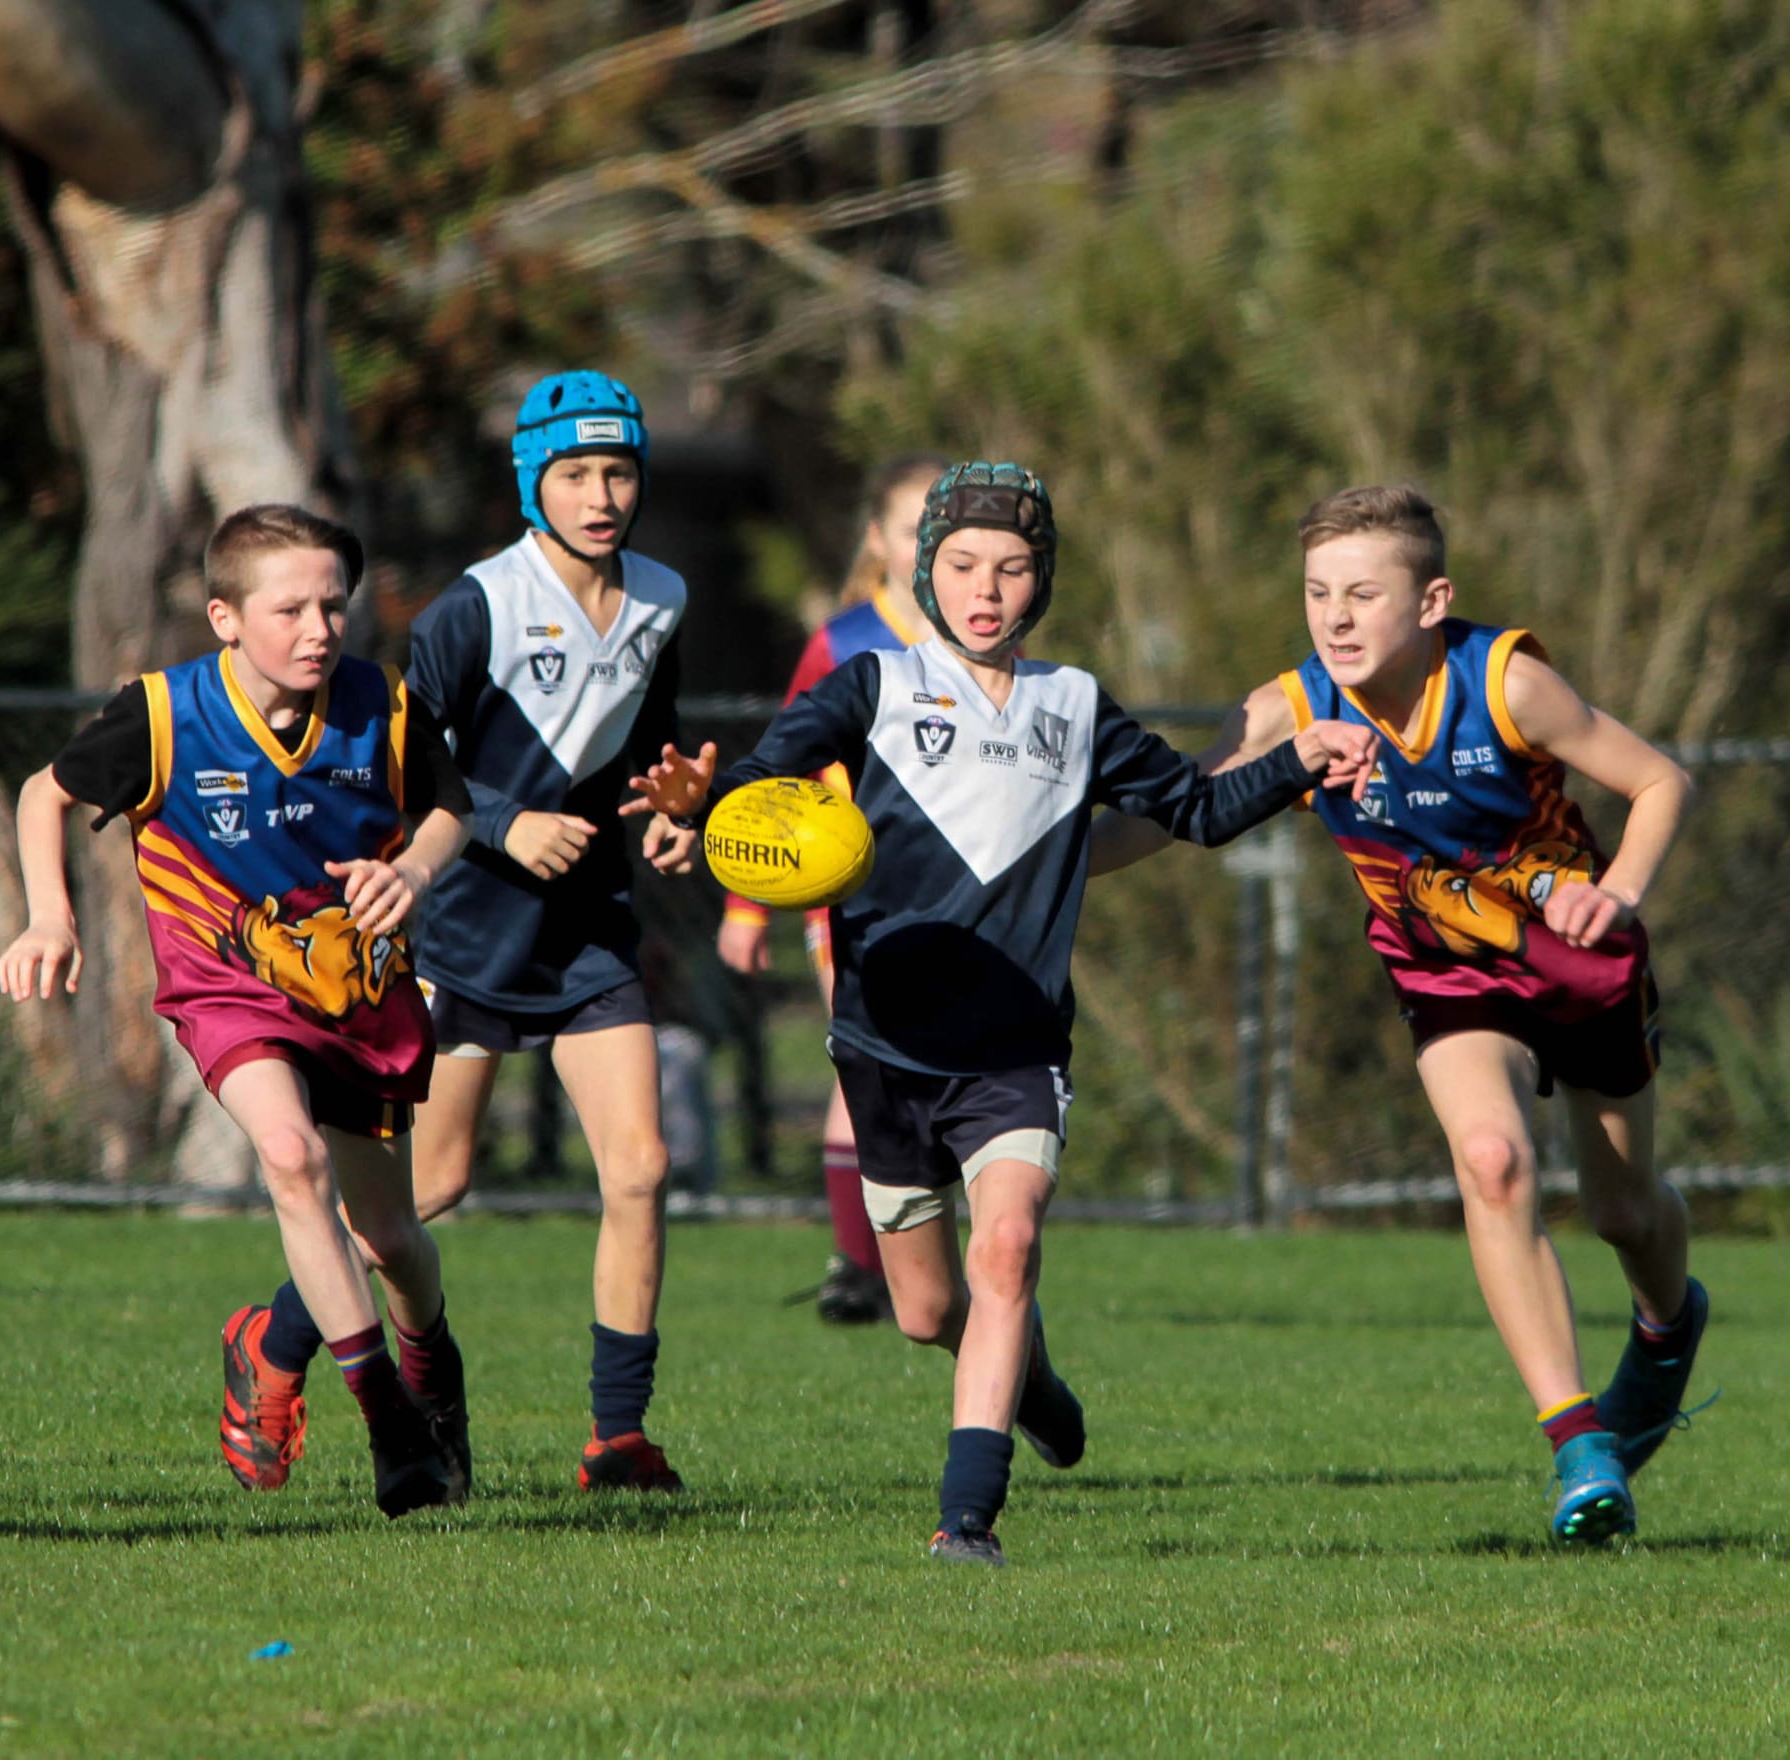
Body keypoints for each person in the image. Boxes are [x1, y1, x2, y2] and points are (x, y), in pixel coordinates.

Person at [625, 462, 1378, 1564]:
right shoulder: (870, 684)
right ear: (924, 568)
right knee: (928, 1310)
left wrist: (1298, 760)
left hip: (1015, 1044)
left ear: (1042, 582)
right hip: (884, 1041)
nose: (986, 587)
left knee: (1009, 1248)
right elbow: (763, 788)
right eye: (964, 564)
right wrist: (703, 808)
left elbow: (1199, 809)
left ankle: (965, 1518)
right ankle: (1027, 1375)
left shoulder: (1073, 706)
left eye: (1012, 567)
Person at [1092, 483, 1706, 1545]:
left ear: (1430, 601)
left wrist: (1621, 891)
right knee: (1491, 1158)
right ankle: (1577, 1443)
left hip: (1579, 962)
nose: (1333, 617)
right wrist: (1022, 868)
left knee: (1623, 1212)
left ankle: (1664, 1326)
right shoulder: (1290, 707)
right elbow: (1170, 816)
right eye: (1317, 592)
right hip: (1442, 972)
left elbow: (1658, 780)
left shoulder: (1505, 681)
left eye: (1361, 593)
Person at [223, 372, 709, 1496]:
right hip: (461, 936)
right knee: (421, 1194)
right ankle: (274, 1340)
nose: (601, 494)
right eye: (576, 472)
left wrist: (685, 812)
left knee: (641, 1166)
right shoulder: (475, 608)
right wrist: (501, 820)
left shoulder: (664, 597)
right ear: (532, 480)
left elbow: (659, 747)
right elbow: (400, 768)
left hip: (587, 935)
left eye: (619, 470)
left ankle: (616, 1437)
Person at [0, 504, 474, 1518]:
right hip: (231, 988)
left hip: (357, 989)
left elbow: (449, 808)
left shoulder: (378, 707)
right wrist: (51, 917)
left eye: (332, 606)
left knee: (390, 1231)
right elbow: (45, 791)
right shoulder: (166, 714)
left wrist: (417, 874)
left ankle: (429, 1373)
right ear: (224, 616)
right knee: (290, 1159)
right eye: (289, 608)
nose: (318, 628)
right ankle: (391, 1423)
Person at [716, 450, 949, 1324]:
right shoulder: (847, 641)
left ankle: (919, 1257)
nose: (930, 546)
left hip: (961, 904)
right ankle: (858, 1268)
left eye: (947, 529)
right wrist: (747, 903)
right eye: (912, 527)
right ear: (879, 540)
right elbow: (782, 775)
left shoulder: (992, 643)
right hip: (851, 900)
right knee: (866, 1070)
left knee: (942, 1083)